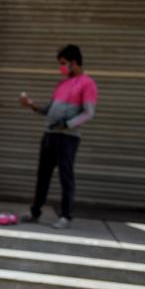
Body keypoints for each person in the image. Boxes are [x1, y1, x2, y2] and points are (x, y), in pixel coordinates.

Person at [20, 44, 98, 229]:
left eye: (63, 63)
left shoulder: (87, 83)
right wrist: (31, 105)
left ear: (74, 62)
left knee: (66, 176)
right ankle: (35, 212)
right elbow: (48, 110)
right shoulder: (62, 84)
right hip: (50, 135)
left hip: (68, 138)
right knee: (43, 176)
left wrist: (67, 124)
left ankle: (66, 216)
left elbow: (89, 113)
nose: (61, 67)